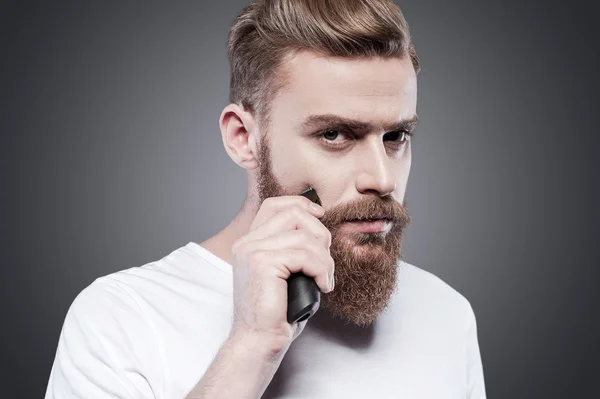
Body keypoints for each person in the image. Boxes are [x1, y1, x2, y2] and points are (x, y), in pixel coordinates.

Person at [45, 0, 486, 398]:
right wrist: (252, 344)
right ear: (243, 138)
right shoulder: (120, 319)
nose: (382, 177)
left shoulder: (447, 315)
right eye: (334, 134)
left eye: (396, 136)